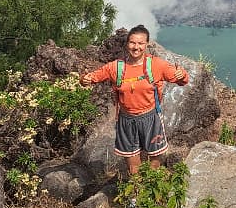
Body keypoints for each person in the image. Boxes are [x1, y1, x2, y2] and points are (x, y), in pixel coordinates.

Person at [79, 24, 190, 175]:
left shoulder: (156, 65)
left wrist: (181, 74)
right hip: (127, 120)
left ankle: (151, 189)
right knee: (133, 168)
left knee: (155, 162)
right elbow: (91, 77)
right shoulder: (116, 68)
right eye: (132, 42)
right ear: (127, 44)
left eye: (140, 43)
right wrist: (84, 79)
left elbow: (182, 79)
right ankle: (136, 194)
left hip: (150, 118)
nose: (136, 47)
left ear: (147, 45)